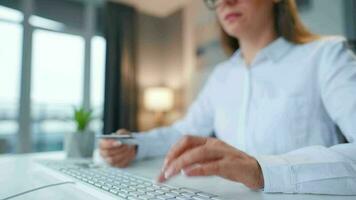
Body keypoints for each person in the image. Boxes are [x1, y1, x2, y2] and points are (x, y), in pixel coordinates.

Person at [99, 0, 356, 195]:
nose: (225, 1)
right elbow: (184, 133)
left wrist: (261, 170)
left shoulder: (327, 56)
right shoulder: (221, 76)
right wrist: (135, 144)